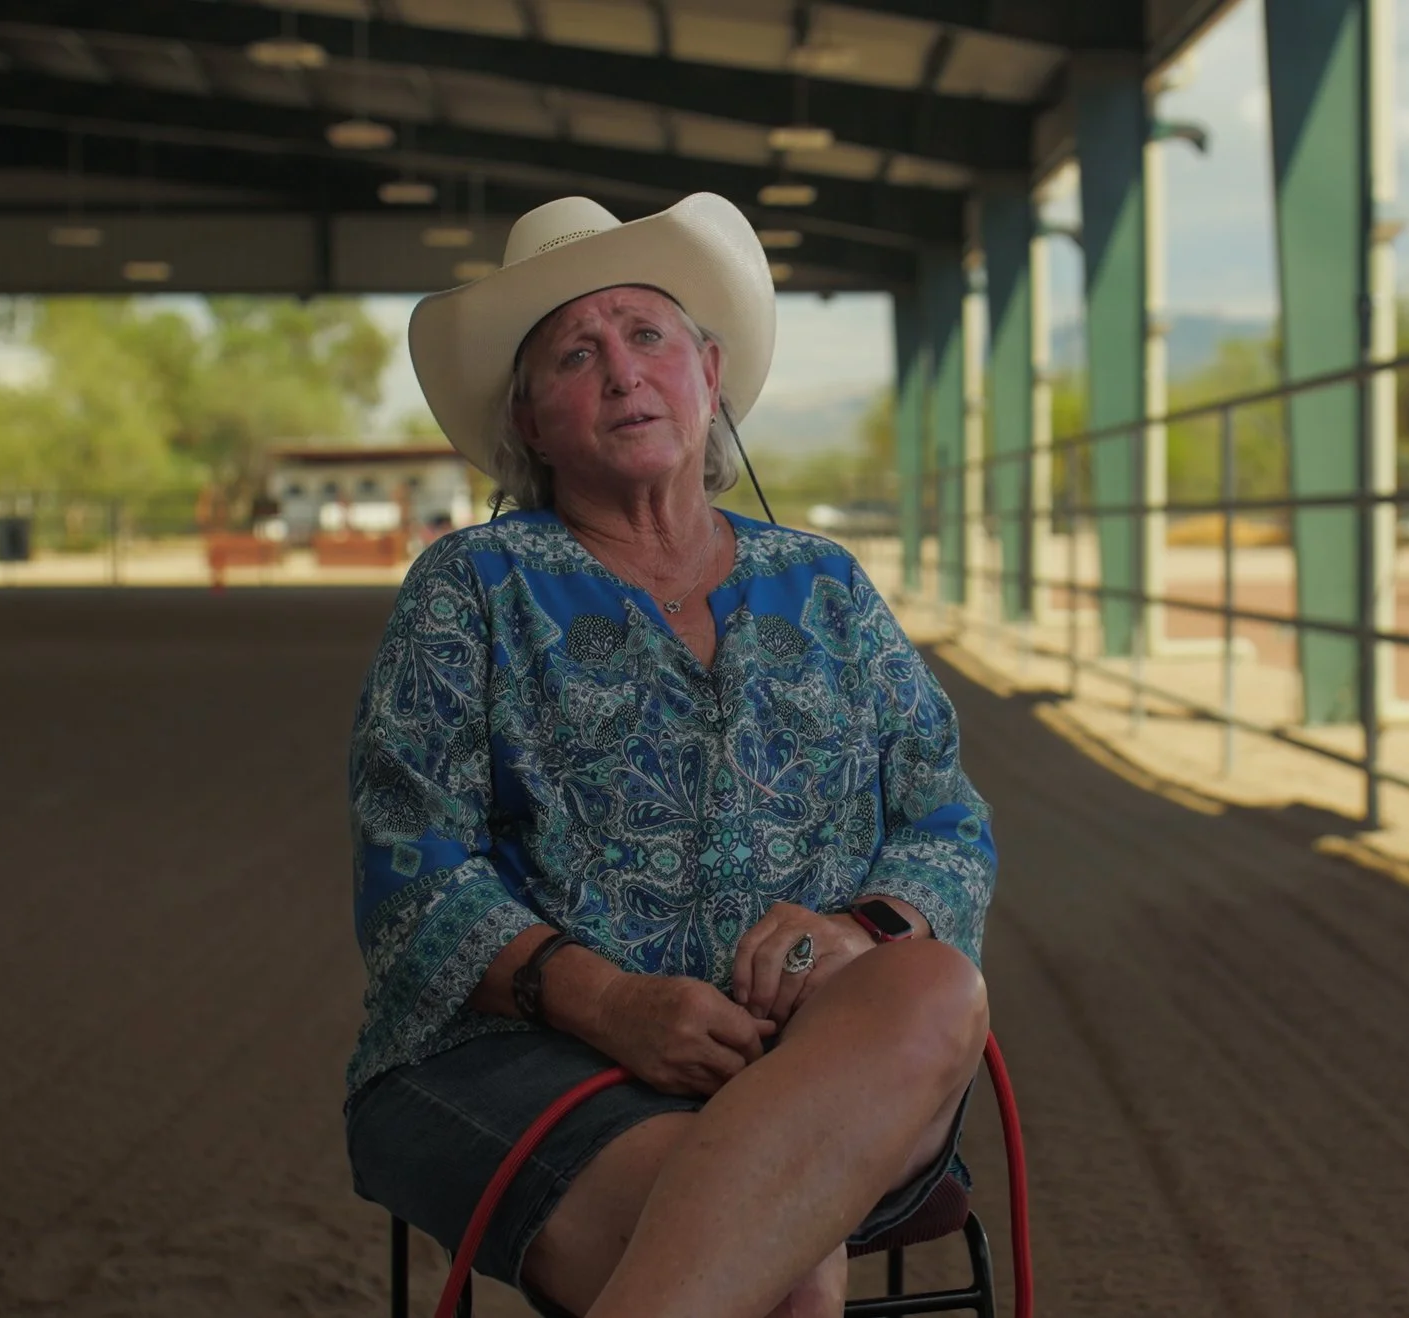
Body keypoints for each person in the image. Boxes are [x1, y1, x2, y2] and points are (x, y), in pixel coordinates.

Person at [343, 192, 997, 1318]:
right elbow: (411, 869)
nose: (620, 372)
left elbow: (945, 817)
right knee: (785, 1272)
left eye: (646, 336)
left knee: (934, 984)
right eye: (573, 356)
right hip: (525, 1057)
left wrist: (854, 933)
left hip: (816, 1058)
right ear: (532, 423)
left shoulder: (828, 586)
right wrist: (609, 1003)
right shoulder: (471, 589)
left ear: (709, 371)